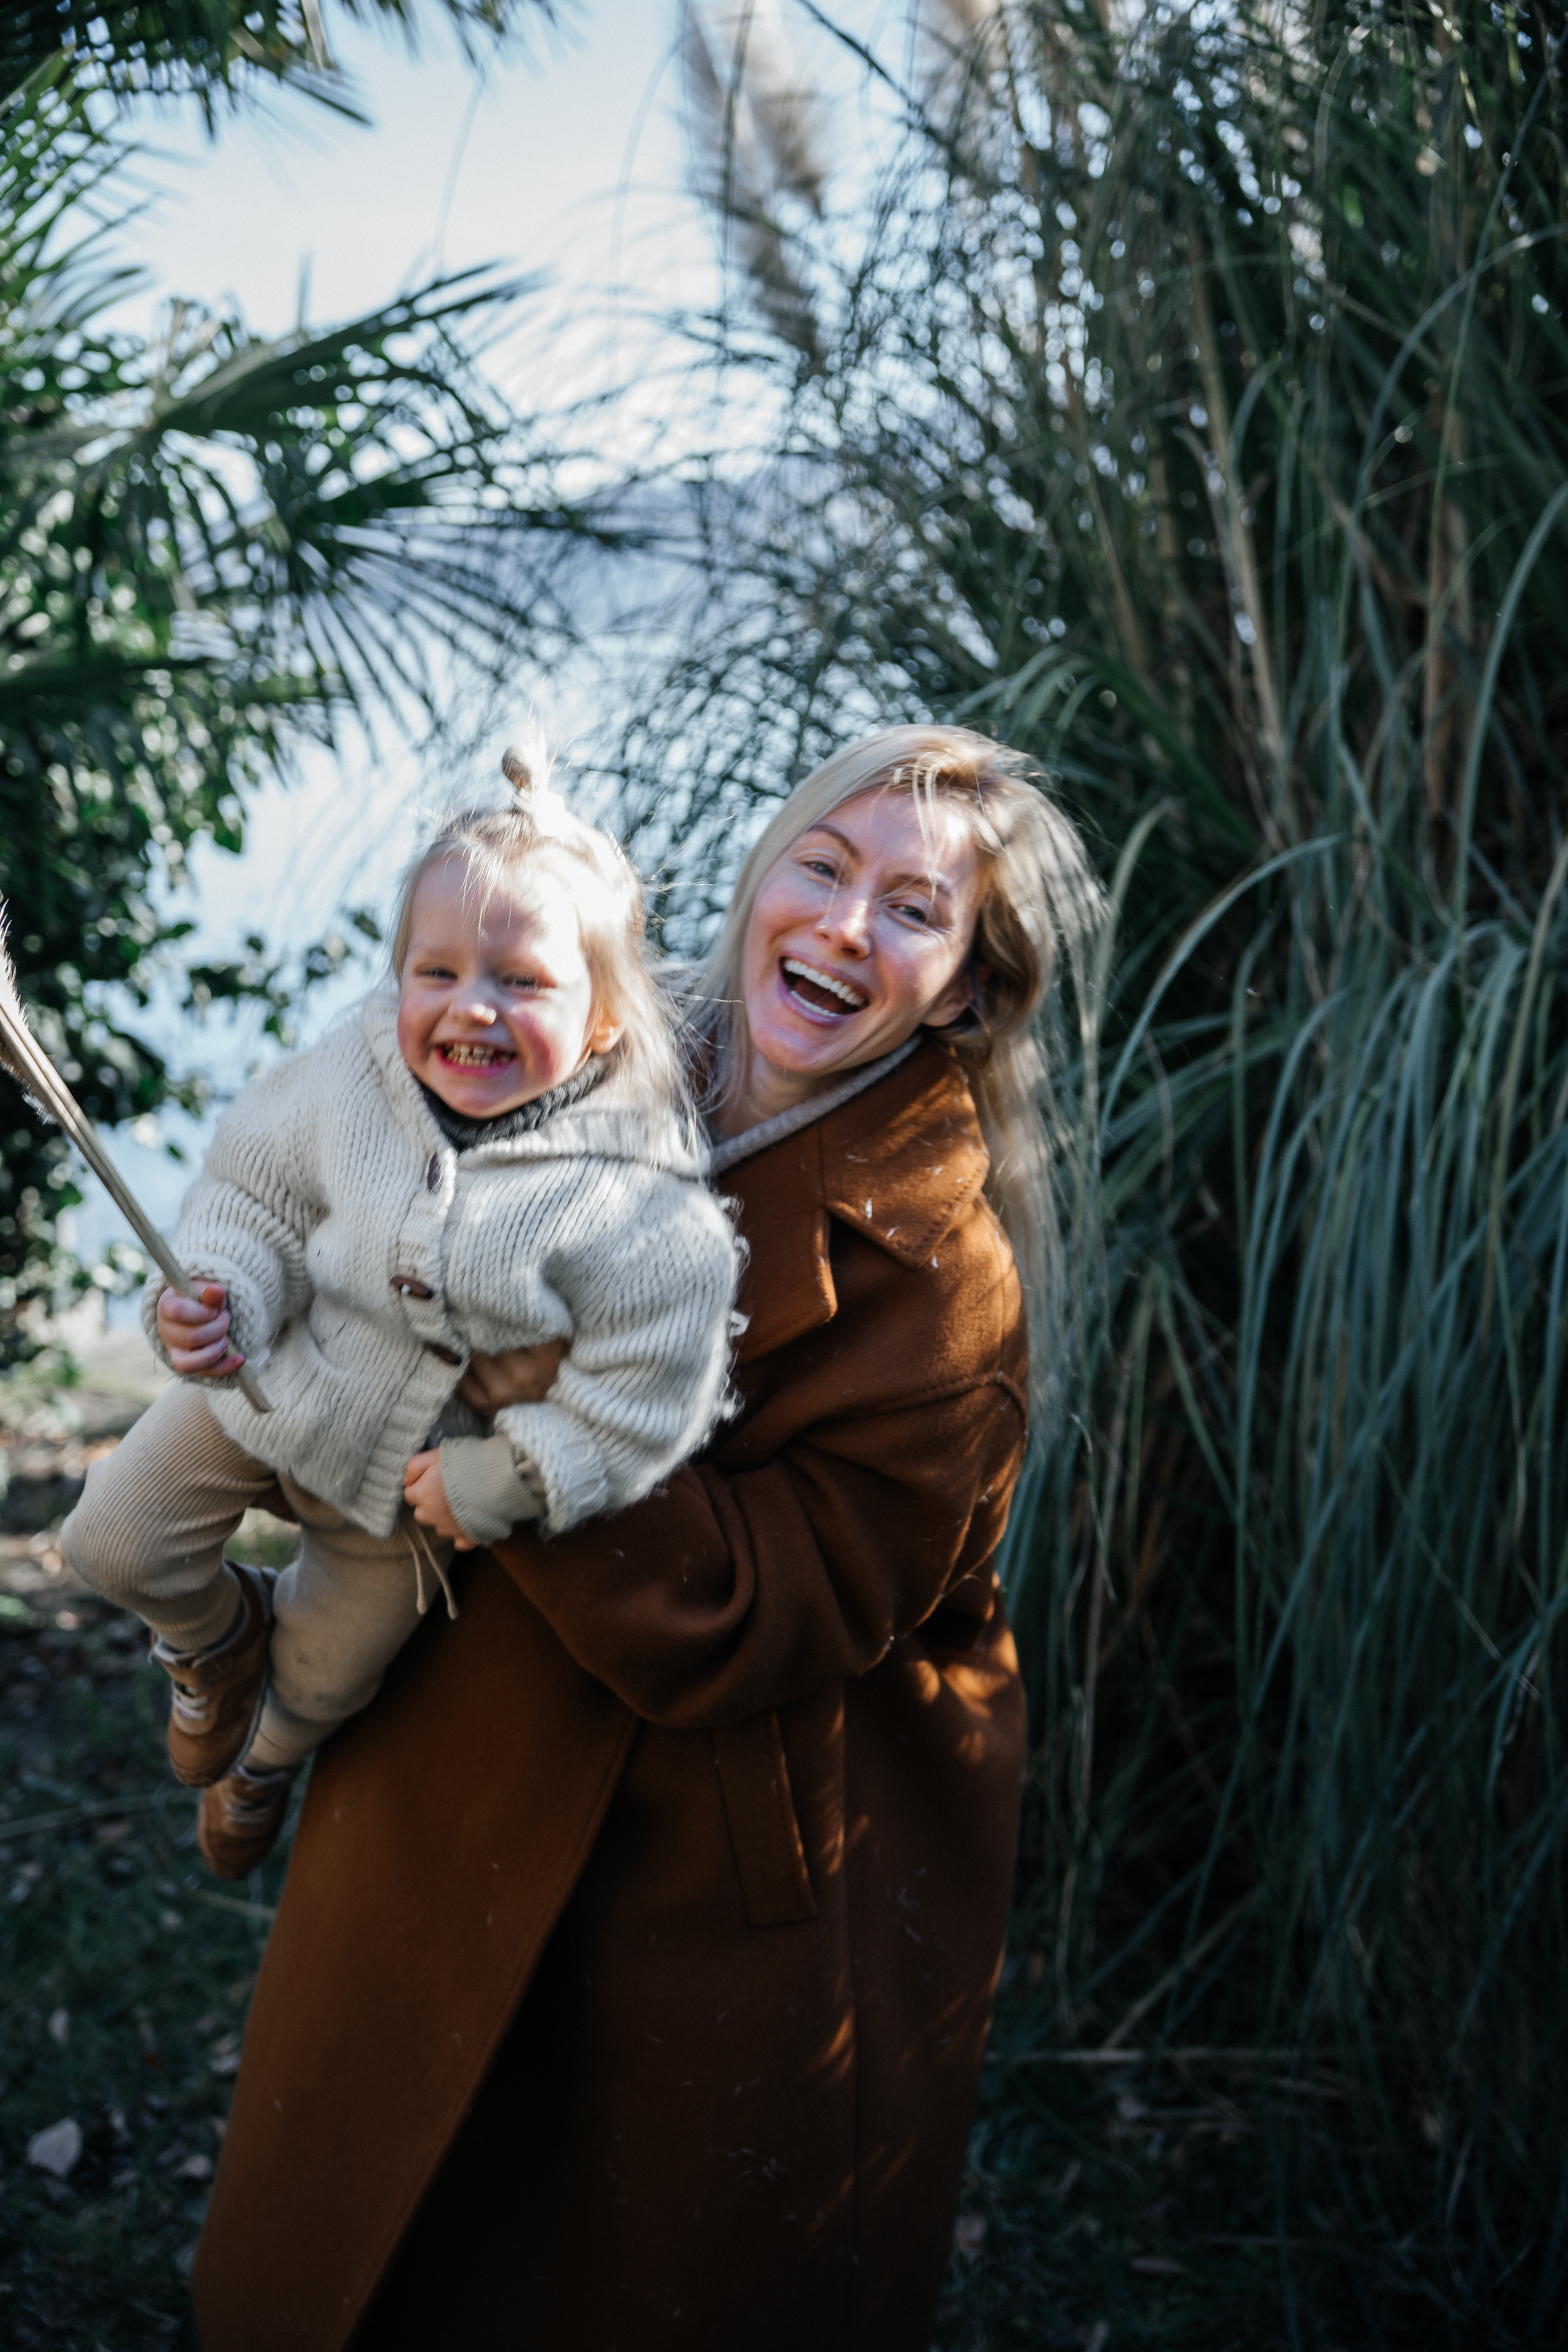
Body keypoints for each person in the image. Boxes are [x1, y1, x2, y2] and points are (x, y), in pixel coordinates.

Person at [189, 724, 1102, 2352]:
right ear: (760, 880)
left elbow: (750, 1613)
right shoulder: (583, 1047)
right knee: (361, 2229)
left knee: (610, 2265)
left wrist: (526, 1368)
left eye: (909, 908)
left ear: (967, 988)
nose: (838, 926)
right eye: (819, 868)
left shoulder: (949, 1293)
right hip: (454, 1752)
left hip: (713, 1860)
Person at [61, 749, 739, 1877]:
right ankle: (214, 1645)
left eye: (521, 983)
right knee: (112, 1538)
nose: (470, 1007)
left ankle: (263, 1759)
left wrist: (503, 1479)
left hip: (416, 1488)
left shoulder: (636, 1191)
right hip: (280, 1377)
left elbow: (651, 1391)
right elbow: (254, 1194)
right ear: (398, 979)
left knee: (331, 1671)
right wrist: (223, 1291)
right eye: (437, 972)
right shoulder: (353, 1076)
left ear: (610, 1023)